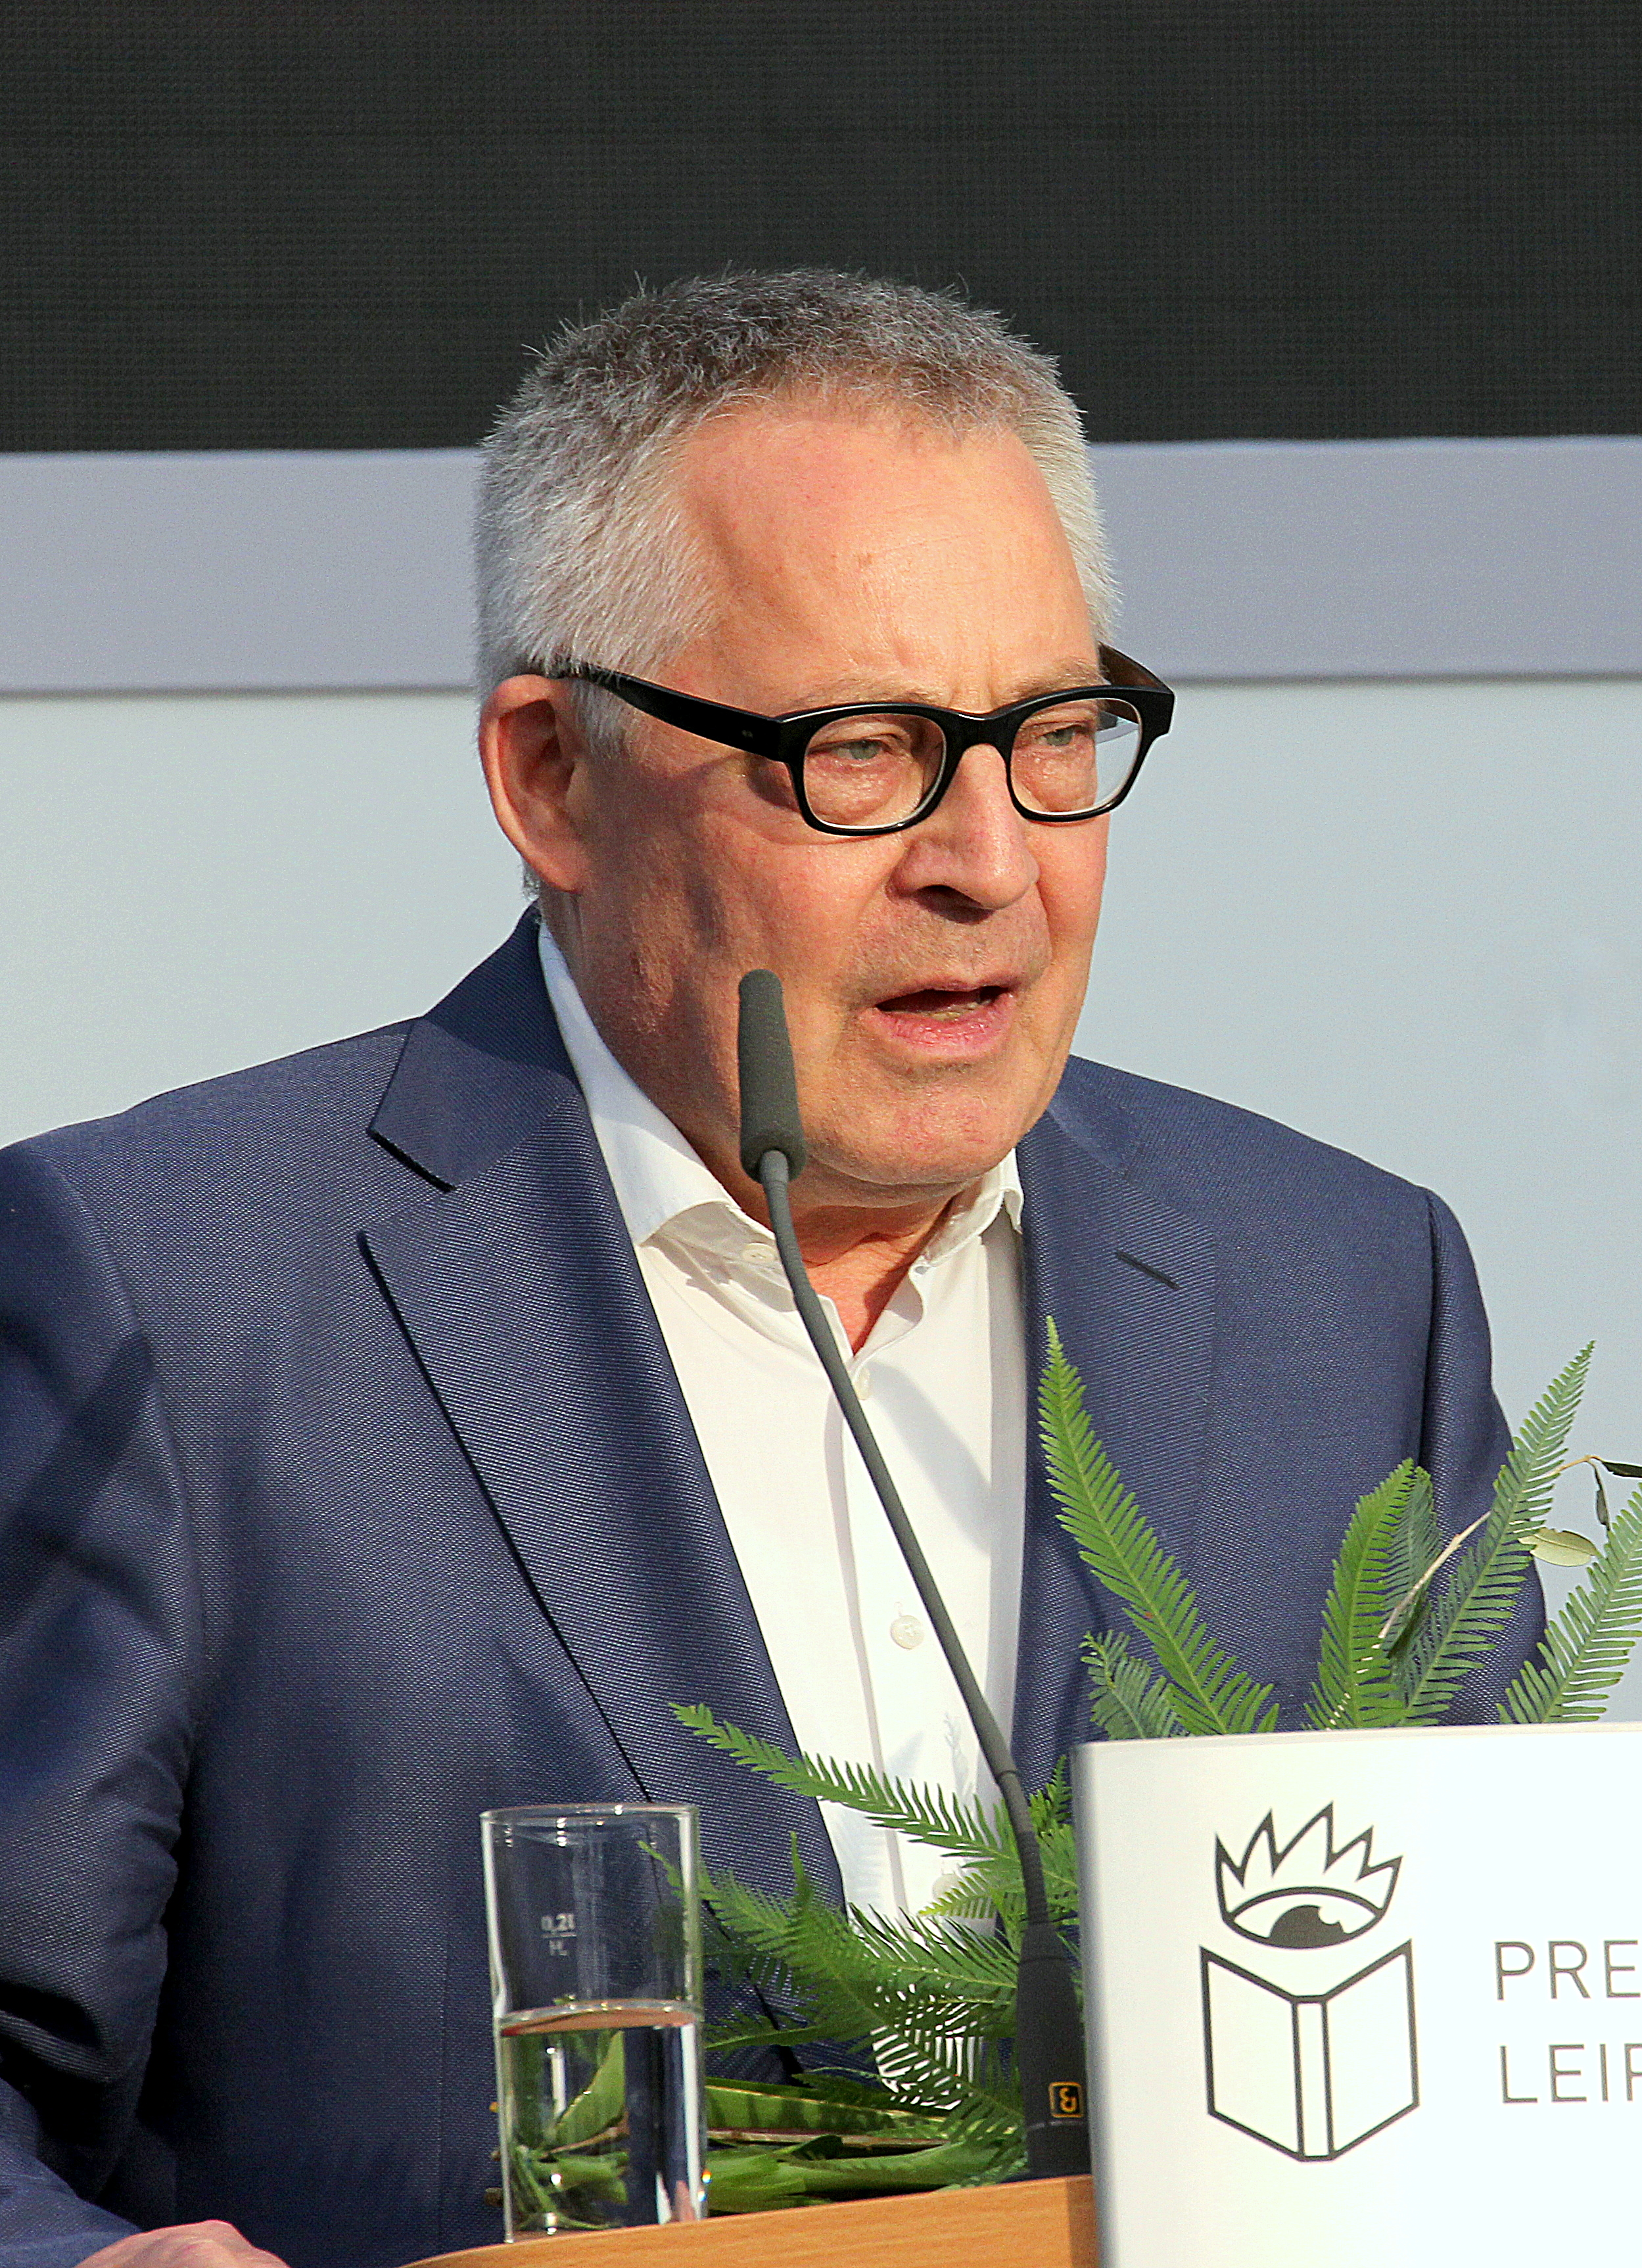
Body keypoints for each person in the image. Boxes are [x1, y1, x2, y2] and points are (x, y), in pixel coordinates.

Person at [0, 271, 1537, 2268]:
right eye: (865, 752)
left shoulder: (1344, 1287)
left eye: (1053, 732)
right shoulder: (169, 1291)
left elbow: (1504, 2043)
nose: (990, 856)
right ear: (553, 774)